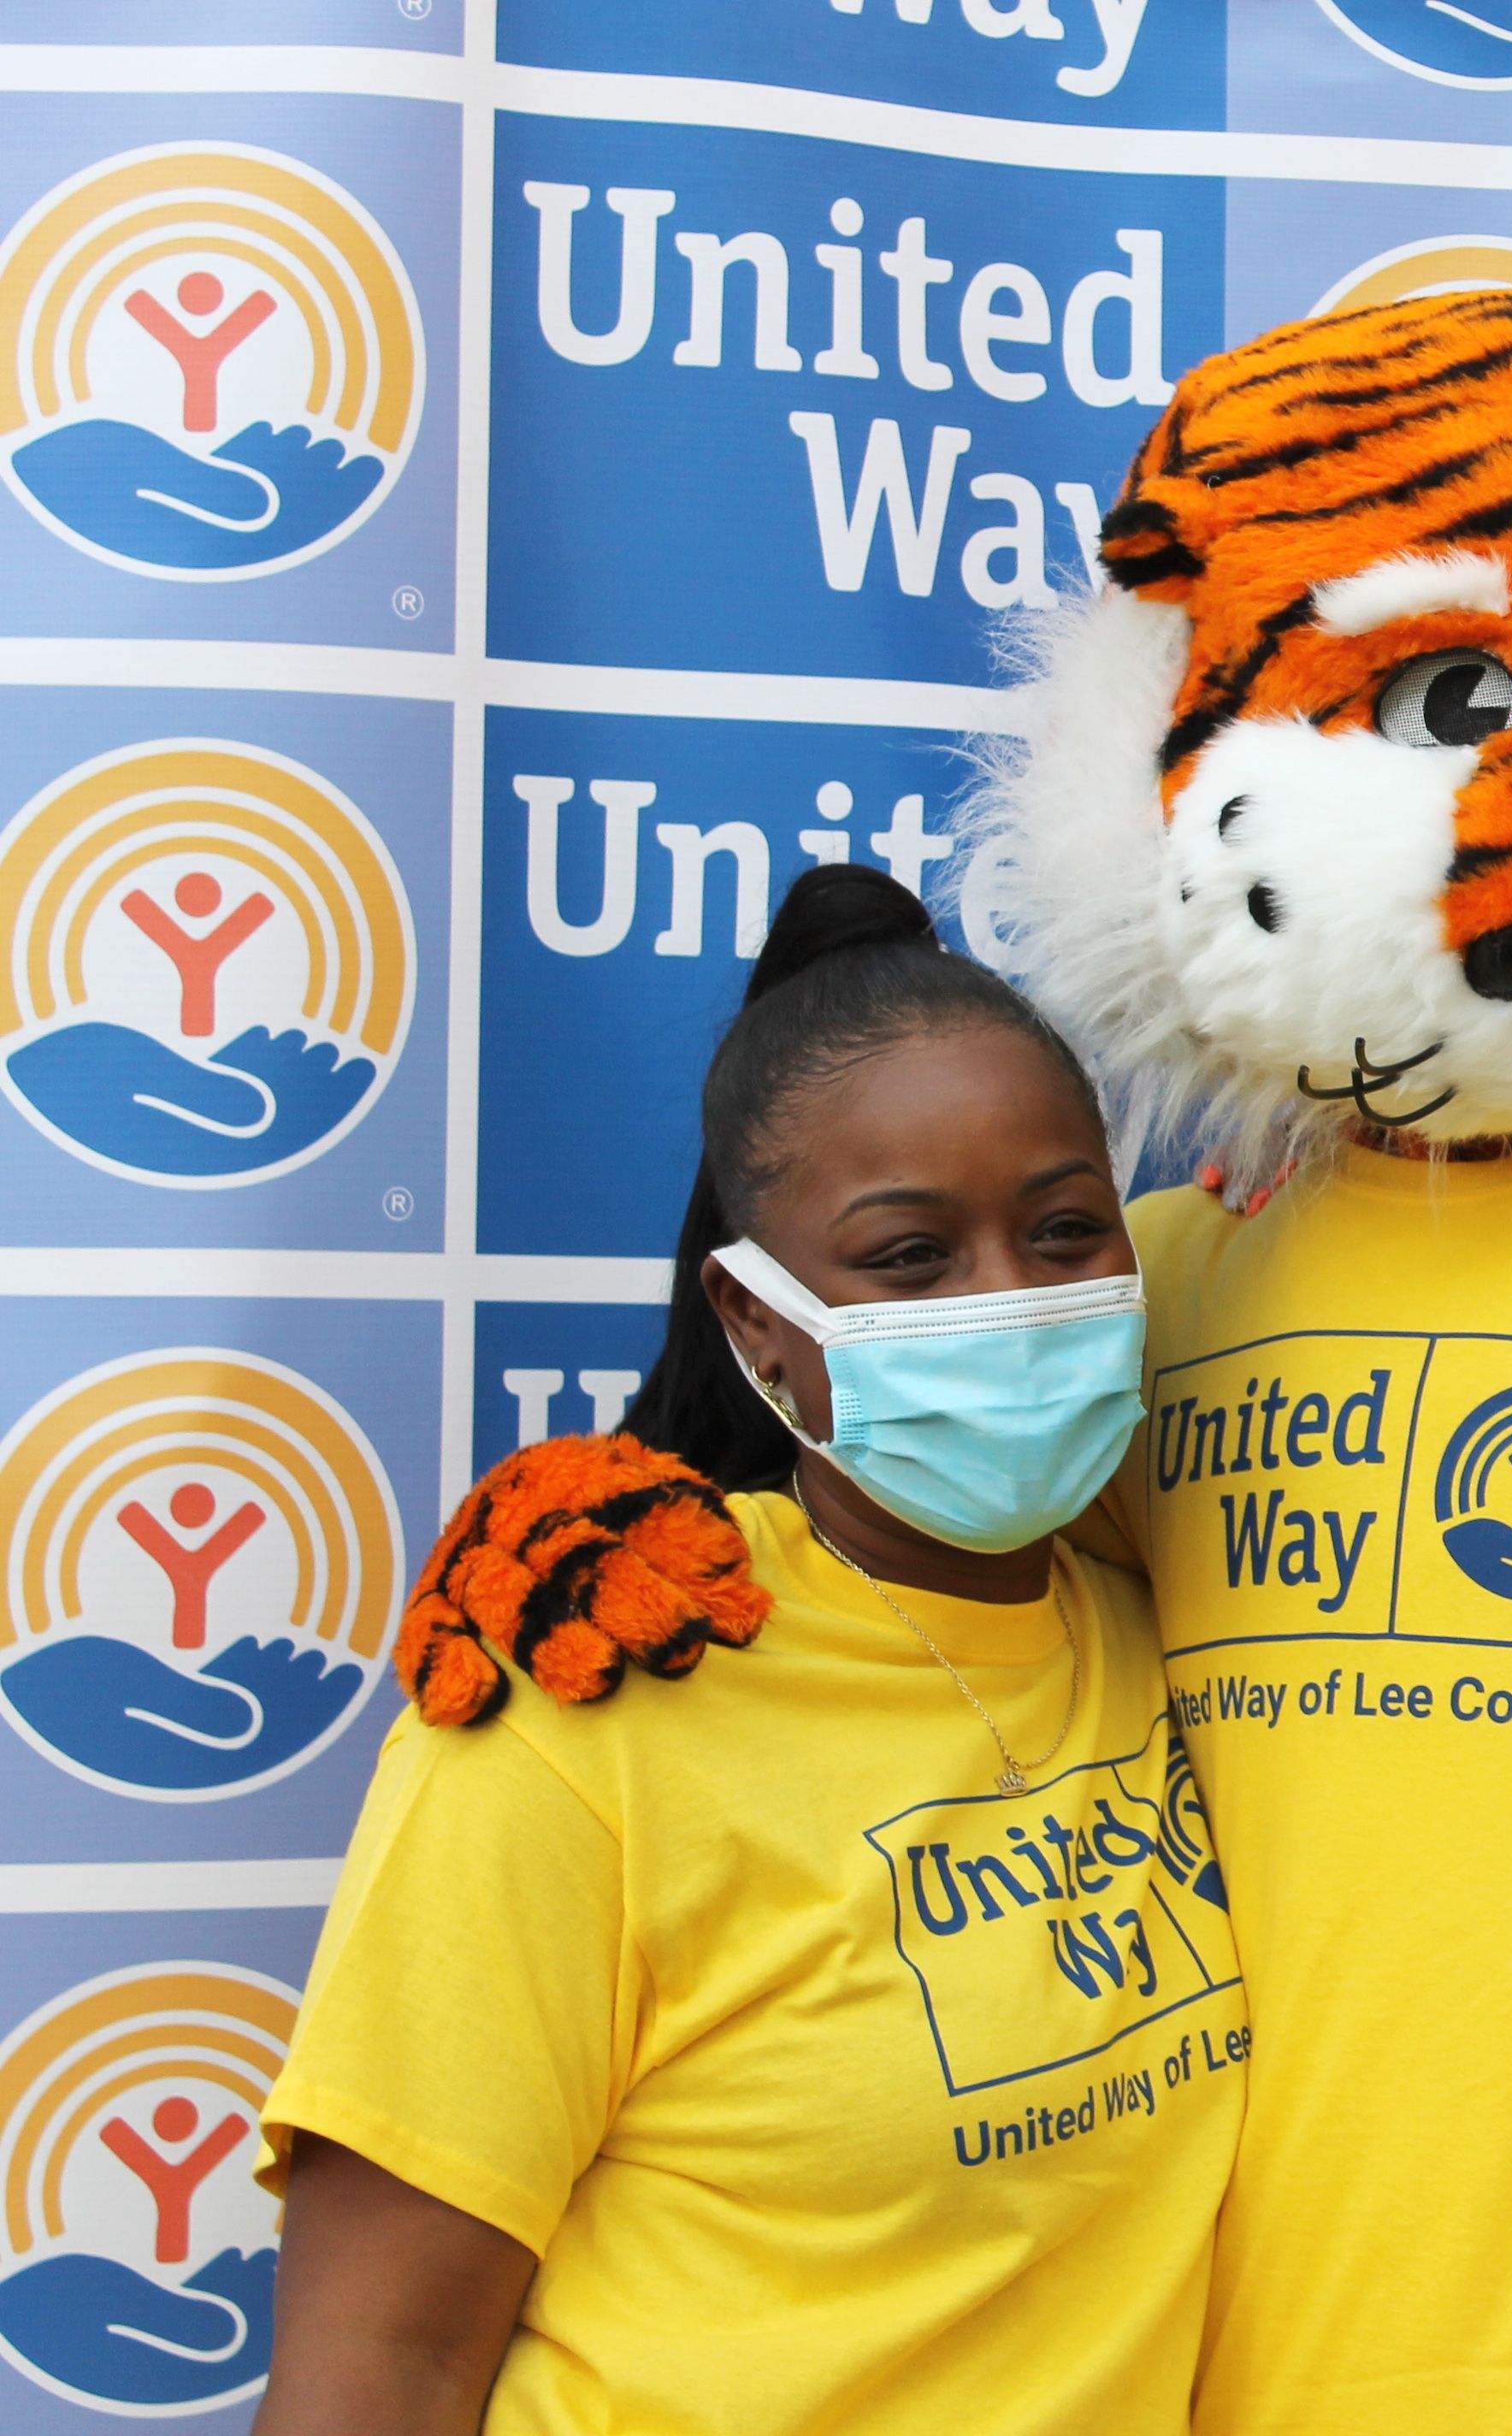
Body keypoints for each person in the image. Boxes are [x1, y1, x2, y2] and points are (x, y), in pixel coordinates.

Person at [254, 867, 1242, 2436]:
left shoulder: (1166, 1629)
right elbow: (381, 2364)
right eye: (910, 1260)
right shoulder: (593, 1694)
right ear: (760, 1321)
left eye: (1063, 1233)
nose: (1010, 1304)